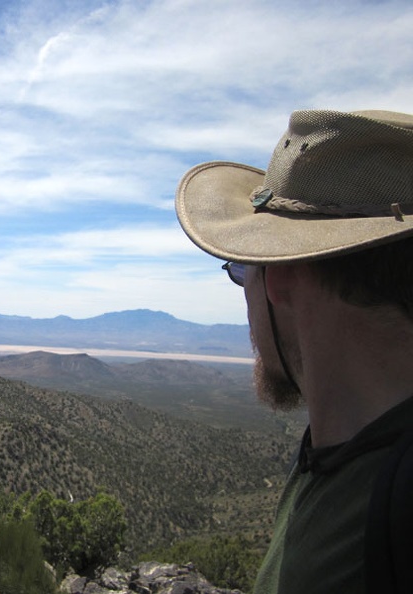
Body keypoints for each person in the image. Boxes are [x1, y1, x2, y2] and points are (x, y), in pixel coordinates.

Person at [174, 109, 413, 594]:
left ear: (280, 274)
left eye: (242, 269)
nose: (243, 289)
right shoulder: (344, 460)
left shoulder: (385, 513)